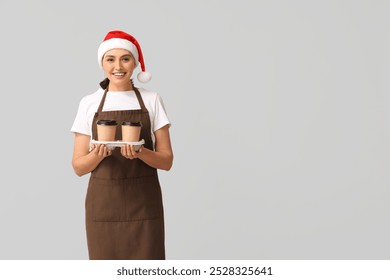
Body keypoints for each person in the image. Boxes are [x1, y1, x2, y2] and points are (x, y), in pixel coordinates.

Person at [70, 30, 173, 260]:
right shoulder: (89, 103)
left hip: (144, 205)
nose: (118, 66)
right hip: (104, 205)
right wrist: (97, 155)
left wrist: (141, 152)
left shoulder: (151, 100)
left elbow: (166, 161)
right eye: (110, 59)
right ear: (102, 63)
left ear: (135, 63)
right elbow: (78, 167)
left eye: (125, 58)